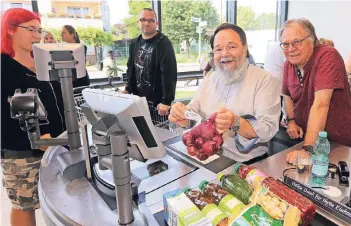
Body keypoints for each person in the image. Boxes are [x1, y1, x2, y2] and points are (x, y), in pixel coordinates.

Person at [169, 23, 281, 164]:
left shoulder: (264, 80)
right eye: (218, 49)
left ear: (245, 49)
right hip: (208, 160)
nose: (225, 54)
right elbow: (192, 113)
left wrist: (236, 122)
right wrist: (182, 116)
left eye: (232, 47)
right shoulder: (210, 78)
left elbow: (268, 128)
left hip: (248, 165)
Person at [1, 8, 65, 226]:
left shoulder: (42, 63)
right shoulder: (4, 68)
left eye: (39, 30)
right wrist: (36, 140)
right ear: (10, 30)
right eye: (30, 29)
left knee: (53, 202)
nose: (37, 35)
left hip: (56, 147)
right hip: (22, 153)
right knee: (24, 204)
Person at [279, 18, 351, 165]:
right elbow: (287, 94)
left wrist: (307, 150)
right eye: (285, 44)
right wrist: (291, 121)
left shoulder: (327, 56)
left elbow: (321, 105)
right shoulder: (289, 64)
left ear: (312, 40)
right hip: (308, 136)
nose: (290, 49)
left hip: (336, 142)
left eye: (297, 42)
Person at [124, 8, 177, 116]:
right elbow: (131, 68)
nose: (147, 23)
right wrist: (128, 89)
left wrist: (166, 101)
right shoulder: (134, 43)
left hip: (158, 106)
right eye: (143, 20)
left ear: (156, 23)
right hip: (138, 103)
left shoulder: (163, 43)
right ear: (138, 22)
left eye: (151, 20)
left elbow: (169, 73)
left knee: (158, 132)